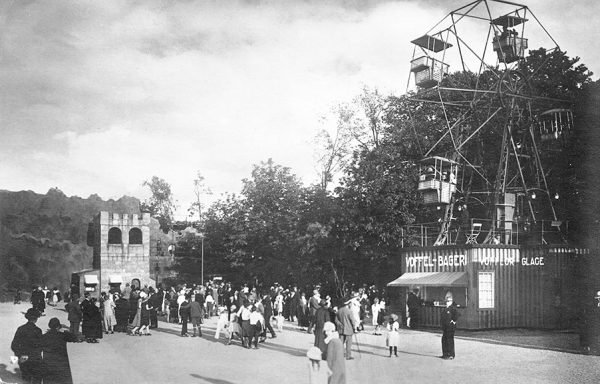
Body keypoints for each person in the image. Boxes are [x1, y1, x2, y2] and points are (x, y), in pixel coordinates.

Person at [41, 317, 78, 384]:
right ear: (58, 326)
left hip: (48, 365)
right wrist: (65, 330)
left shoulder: (44, 336)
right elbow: (75, 337)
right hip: (61, 364)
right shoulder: (63, 335)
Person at [11, 308, 43, 384]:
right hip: (35, 360)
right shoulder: (38, 330)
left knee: (26, 378)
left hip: (23, 360)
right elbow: (41, 346)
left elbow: (14, 345)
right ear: (36, 319)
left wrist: (19, 355)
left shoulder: (21, 329)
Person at [441, 293, 458, 360]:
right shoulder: (446, 308)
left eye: (449, 301)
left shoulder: (453, 308)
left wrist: (453, 321)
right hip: (445, 327)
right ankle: (445, 354)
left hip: (450, 327)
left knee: (450, 340)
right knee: (444, 340)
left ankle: (451, 354)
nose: (447, 302)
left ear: (451, 301)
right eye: (446, 301)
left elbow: (457, 315)